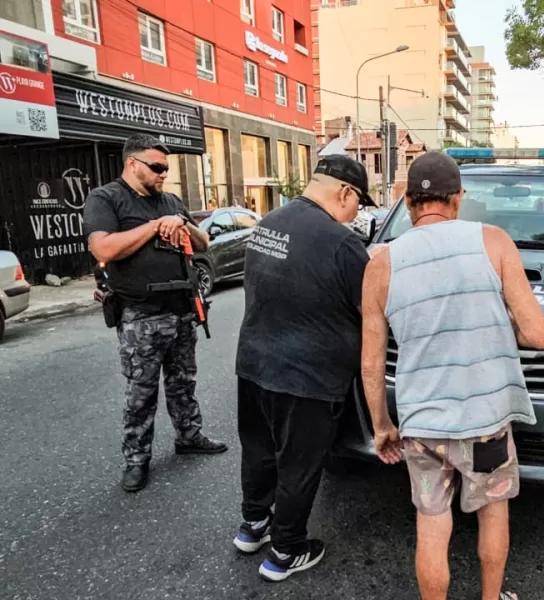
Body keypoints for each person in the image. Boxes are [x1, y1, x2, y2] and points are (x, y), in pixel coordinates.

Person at [360, 152, 544, 600]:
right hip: (486, 424)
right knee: (492, 510)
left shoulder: (381, 265)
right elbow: (538, 335)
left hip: (423, 425)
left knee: (431, 523)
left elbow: (371, 363)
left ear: (408, 202)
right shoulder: (493, 241)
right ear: (458, 199)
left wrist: (382, 426)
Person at [233, 154, 375, 582]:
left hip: (254, 362)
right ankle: (285, 550)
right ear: (345, 192)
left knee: (259, 451)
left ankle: (252, 525)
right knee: (298, 464)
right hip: (307, 377)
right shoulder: (343, 244)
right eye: (359, 204)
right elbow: (373, 312)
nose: (358, 213)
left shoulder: (268, 224)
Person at [83, 133, 228, 493]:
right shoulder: (107, 198)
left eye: (167, 167)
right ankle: (136, 460)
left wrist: (182, 223)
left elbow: (203, 243)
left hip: (181, 311)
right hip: (141, 315)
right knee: (141, 394)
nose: (164, 173)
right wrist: (152, 226)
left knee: (183, 383)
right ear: (133, 164)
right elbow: (102, 246)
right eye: (157, 167)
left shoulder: (171, 200)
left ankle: (189, 435)